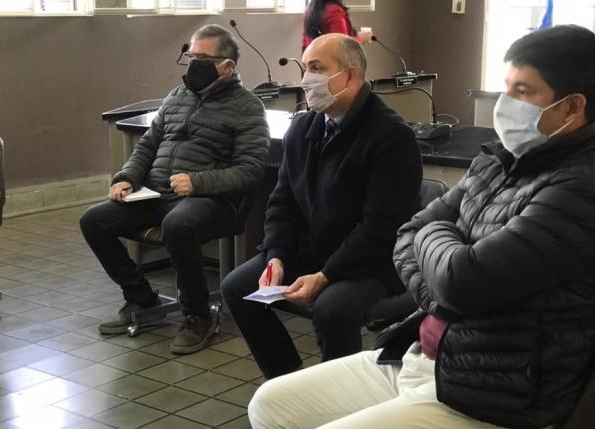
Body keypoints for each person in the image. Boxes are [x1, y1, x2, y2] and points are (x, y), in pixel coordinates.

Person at [248, 25, 595, 429]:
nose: (505, 104)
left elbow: (458, 278)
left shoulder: (580, 188)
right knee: (269, 404)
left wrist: (438, 250)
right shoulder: (498, 161)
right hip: (423, 352)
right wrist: (445, 261)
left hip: (492, 390)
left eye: (523, 91)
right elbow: (409, 234)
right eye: (506, 88)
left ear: (572, 107)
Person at [221, 34, 422, 380]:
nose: (305, 80)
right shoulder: (303, 127)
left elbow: (381, 228)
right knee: (237, 287)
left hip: (372, 263)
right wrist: (276, 256)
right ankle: (288, 380)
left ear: (350, 76)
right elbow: (283, 202)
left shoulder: (390, 136)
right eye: (304, 69)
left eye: (316, 69)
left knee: (331, 309)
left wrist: (325, 276)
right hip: (313, 250)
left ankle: (336, 396)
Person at [80, 24, 269, 355]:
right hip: (157, 194)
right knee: (94, 220)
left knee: (177, 224)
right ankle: (142, 299)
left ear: (227, 66)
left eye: (202, 58)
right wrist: (127, 177)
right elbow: (148, 144)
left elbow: (251, 170)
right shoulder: (177, 96)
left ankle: (197, 315)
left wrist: (198, 181)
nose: (193, 63)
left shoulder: (247, 107)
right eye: (190, 55)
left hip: (211, 199)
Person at [302, 0, 373, 51]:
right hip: (332, 63)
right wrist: (361, 38)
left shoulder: (309, 10)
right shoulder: (334, 11)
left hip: (313, 62)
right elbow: (342, 45)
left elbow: (305, 44)